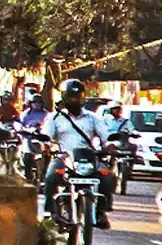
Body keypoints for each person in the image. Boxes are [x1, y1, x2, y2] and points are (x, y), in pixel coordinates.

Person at [41, 79, 116, 228]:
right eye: (71, 97)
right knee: (50, 177)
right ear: (64, 97)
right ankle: (50, 212)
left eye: (78, 97)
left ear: (83, 97)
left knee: (108, 176)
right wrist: (47, 146)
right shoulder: (54, 117)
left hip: (89, 158)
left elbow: (106, 137)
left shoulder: (93, 117)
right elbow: (47, 137)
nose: (75, 100)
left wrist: (109, 146)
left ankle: (101, 211)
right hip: (64, 158)